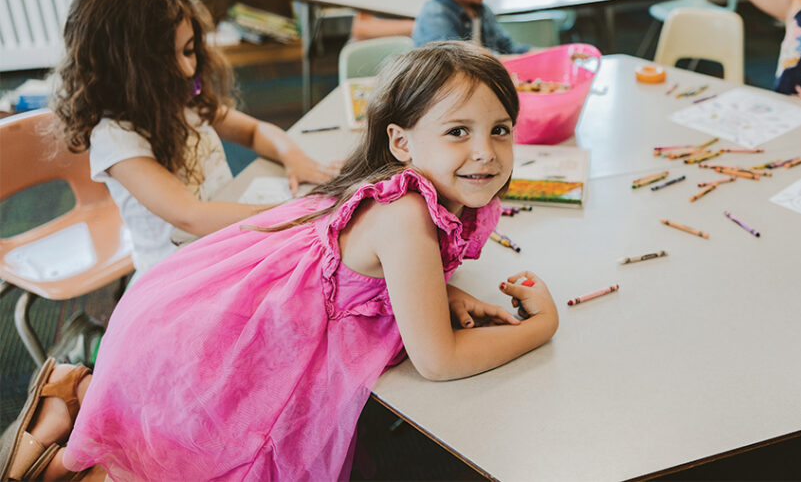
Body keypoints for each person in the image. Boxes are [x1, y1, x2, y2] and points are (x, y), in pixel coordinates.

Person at [5, 41, 559, 481]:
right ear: (402, 143)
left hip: (217, 321)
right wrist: (541, 327)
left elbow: (375, 275)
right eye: (459, 131)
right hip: (222, 351)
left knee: (147, 438)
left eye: (500, 130)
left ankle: (70, 419)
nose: (486, 152)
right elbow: (438, 361)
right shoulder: (405, 214)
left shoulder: (414, 194)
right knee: (183, 456)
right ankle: (60, 442)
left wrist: (432, 291)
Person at [51, 0, 338, 276]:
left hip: (222, 239)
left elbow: (255, 131)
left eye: (189, 51)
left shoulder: (181, 100)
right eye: (166, 61)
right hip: (180, 270)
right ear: (121, 69)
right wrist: (294, 212)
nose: (188, 70)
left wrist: (292, 156)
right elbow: (190, 216)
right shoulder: (115, 138)